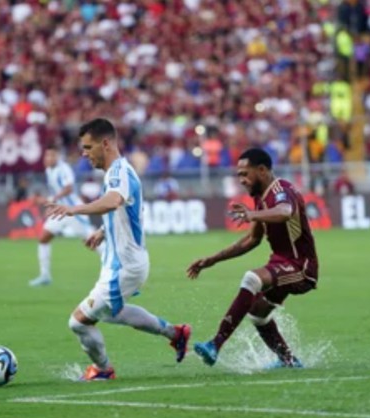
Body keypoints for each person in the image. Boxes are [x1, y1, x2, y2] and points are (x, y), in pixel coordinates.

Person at [45, 118, 191, 381]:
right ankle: (176, 333)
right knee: (115, 314)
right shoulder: (119, 172)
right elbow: (128, 206)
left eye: (88, 147)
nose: (84, 154)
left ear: (105, 144)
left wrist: (74, 208)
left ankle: (103, 370)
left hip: (123, 265)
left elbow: (113, 201)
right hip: (123, 261)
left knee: (78, 322)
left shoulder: (118, 172)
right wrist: (103, 231)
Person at [187, 148, 319, 369]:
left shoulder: (281, 190)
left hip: (301, 267)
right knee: (257, 312)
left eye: (245, 174)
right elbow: (251, 240)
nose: (241, 180)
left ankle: (215, 344)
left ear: (262, 170)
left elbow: (285, 211)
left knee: (252, 278)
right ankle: (288, 361)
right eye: (239, 175)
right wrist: (213, 259)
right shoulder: (260, 199)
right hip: (281, 263)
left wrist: (252, 215)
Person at [29, 148, 93, 287]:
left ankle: (116, 269)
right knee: (43, 238)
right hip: (59, 211)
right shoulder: (48, 170)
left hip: (73, 211)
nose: (48, 158)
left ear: (57, 156)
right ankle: (45, 275)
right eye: (47, 155)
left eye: (52, 155)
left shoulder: (64, 169)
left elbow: (69, 188)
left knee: (92, 241)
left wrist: (53, 198)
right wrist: (52, 204)